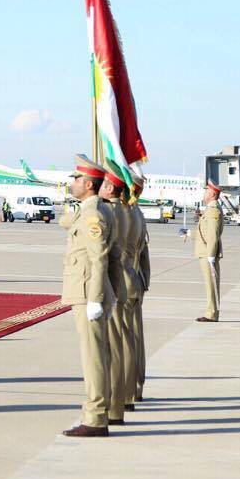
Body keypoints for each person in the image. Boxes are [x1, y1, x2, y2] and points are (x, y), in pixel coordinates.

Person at [60, 154, 114, 438]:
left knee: (92, 356)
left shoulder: (93, 214)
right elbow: (64, 222)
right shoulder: (89, 210)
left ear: (89, 184)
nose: (73, 183)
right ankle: (100, 412)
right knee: (96, 354)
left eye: (77, 179)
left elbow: (99, 258)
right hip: (85, 290)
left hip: (86, 291)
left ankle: (95, 418)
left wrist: (95, 298)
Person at [98, 160, 136, 425]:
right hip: (127, 279)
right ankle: (125, 396)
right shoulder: (129, 212)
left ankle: (114, 405)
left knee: (113, 346)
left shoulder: (112, 213)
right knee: (124, 342)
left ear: (111, 187)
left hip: (115, 281)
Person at [183, 181, 224, 322]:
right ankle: (211, 311)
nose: (204, 193)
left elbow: (212, 235)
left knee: (211, 283)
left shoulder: (213, 210)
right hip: (206, 251)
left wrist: (211, 255)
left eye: (206, 191)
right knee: (209, 283)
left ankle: (211, 313)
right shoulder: (210, 209)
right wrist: (188, 233)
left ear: (212, 194)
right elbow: (203, 233)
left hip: (208, 253)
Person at [126, 172, 151, 403]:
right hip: (136, 281)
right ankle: (135, 387)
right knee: (135, 339)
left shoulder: (126, 214)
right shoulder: (137, 213)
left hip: (124, 285)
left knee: (124, 341)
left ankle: (128, 391)